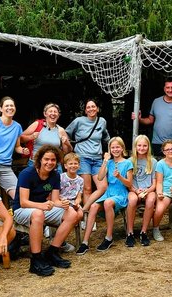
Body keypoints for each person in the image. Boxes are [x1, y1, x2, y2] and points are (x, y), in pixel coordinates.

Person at [13, 145, 73, 277]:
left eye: (53, 160)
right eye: (46, 159)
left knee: (73, 213)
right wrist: (42, 205)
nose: (49, 163)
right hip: (22, 210)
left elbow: (55, 200)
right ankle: (35, 259)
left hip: (42, 209)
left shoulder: (55, 175)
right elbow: (23, 202)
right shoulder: (27, 174)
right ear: (39, 159)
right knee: (38, 214)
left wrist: (63, 203)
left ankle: (52, 252)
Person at [76, 137, 133, 254]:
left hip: (120, 193)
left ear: (122, 148)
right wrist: (105, 161)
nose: (115, 149)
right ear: (109, 150)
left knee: (107, 203)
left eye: (117, 147)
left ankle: (108, 237)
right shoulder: (109, 162)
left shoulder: (128, 163)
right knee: (93, 206)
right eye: (113, 147)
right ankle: (85, 242)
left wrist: (119, 177)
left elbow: (129, 183)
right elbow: (100, 177)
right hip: (109, 192)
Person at [65, 99, 110, 231]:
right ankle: (88, 218)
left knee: (103, 186)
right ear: (85, 110)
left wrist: (110, 149)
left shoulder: (102, 121)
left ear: (97, 108)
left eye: (93, 107)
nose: (91, 109)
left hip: (97, 158)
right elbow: (66, 133)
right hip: (83, 157)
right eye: (88, 107)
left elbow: (106, 137)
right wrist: (67, 145)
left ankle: (85, 210)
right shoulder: (78, 121)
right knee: (87, 189)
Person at [133, 78, 172, 156]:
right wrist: (139, 119)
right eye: (168, 87)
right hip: (158, 143)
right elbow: (150, 120)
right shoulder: (156, 102)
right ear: (164, 89)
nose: (170, 90)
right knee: (159, 167)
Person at [21, 103, 73, 173]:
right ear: (45, 114)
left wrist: (67, 143)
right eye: (50, 111)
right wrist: (31, 137)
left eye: (55, 112)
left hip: (54, 165)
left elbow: (67, 151)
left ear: (58, 115)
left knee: (54, 184)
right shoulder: (37, 124)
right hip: (36, 164)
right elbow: (20, 139)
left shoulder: (61, 130)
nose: (53, 113)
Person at [125, 135, 157, 247]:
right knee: (132, 200)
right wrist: (136, 191)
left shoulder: (153, 161)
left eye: (144, 145)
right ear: (135, 146)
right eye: (139, 145)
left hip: (149, 189)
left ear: (148, 147)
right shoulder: (129, 161)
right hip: (133, 189)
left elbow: (154, 183)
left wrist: (147, 192)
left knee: (151, 200)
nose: (142, 148)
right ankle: (130, 232)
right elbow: (128, 183)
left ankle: (144, 232)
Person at [59, 152, 84, 249]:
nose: (73, 166)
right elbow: (57, 194)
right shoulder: (61, 177)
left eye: (75, 163)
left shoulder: (80, 180)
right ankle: (61, 238)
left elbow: (79, 196)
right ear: (65, 166)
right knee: (71, 214)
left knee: (80, 214)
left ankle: (63, 234)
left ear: (79, 165)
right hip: (62, 201)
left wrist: (77, 202)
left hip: (73, 202)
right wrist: (64, 201)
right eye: (70, 164)